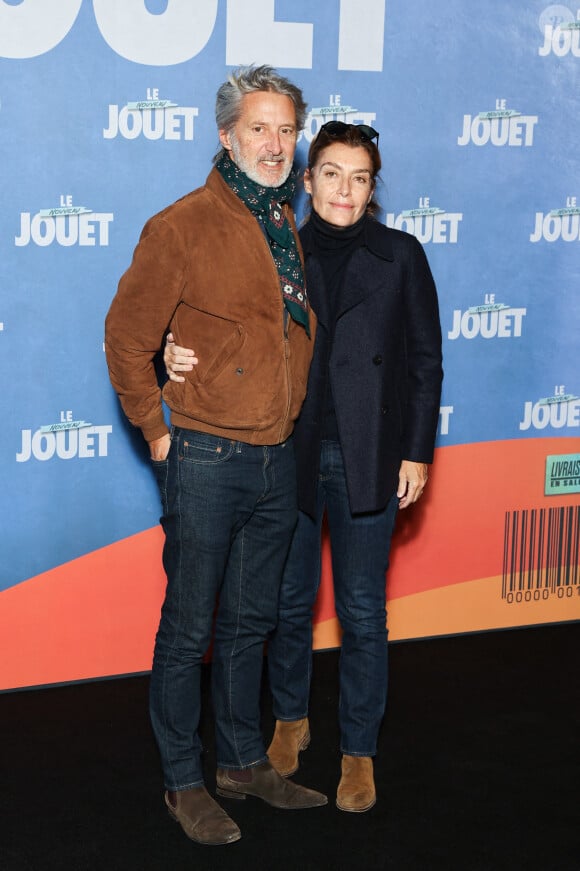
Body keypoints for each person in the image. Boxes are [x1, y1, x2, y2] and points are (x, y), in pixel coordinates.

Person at [164, 121, 443, 814]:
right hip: (283, 448)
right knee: (285, 604)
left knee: (360, 610)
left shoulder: (402, 255)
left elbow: (423, 361)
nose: (343, 189)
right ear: (307, 178)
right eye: (330, 173)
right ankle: (290, 720)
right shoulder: (276, 247)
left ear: (373, 189)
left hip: (367, 454)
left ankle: (358, 750)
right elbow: (212, 314)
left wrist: (416, 451)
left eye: (359, 177)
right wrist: (173, 350)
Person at [105, 65, 325, 849]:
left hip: (276, 458)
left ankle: (239, 762)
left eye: (286, 129)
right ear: (227, 134)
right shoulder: (183, 224)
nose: (275, 143)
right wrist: (159, 433)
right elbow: (127, 338)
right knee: (189, 626)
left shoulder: (282, 221)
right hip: (204, 458)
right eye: (259, 128)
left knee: (250, 622)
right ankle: (181, 779)